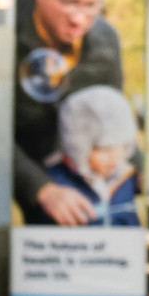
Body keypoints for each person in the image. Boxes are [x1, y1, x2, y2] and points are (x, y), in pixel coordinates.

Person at [14, 0, 125, 225]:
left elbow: (110, 112)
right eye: (70, 2)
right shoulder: (4, 31)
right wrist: (42, 188)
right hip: (12, 175)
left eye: (92, 5)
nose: (80, 18)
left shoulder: (104, 40)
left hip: (79, 174)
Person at [45, 85, 140, 227]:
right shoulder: (54, 183)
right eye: (103, 149)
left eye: (119, 147)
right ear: (77, 147)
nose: (114, 157)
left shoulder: (125, 178)